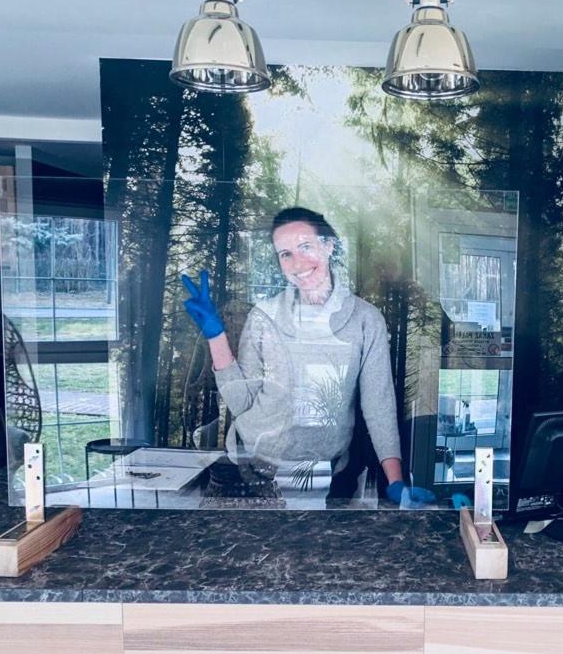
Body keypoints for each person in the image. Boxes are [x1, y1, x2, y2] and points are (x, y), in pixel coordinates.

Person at [182, 206, 433, 506]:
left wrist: (395, 481)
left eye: (305, 247)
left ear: (328, 246)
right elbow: (241, 401)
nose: (296, 262)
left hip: (328, 475)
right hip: (250, 468)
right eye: (285, 254)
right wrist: (215, 334)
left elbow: (378, 403)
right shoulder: (264, 316)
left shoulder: (366, 320)